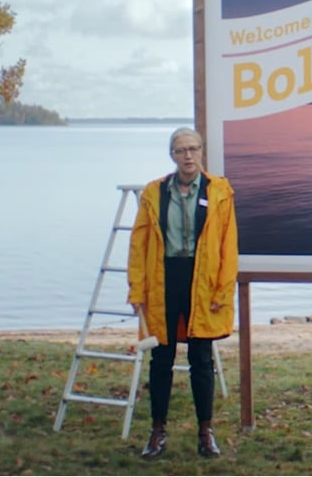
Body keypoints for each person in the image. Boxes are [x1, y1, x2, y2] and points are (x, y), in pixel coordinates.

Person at [127, 127, 238, 460]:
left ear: (201, 151)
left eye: (193, 149)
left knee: (201, 360)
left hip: (202, 281)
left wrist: (223, 288)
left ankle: (205, 432)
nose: (187, 156)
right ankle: (157, 431)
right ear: (172, 155)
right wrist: (137, 290)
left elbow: (228, 246)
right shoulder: (154, 193)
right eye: (180, 150)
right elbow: (139, 245)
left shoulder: (219, 191)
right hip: (164, 278)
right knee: (161, 358)